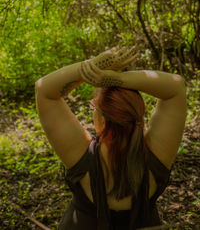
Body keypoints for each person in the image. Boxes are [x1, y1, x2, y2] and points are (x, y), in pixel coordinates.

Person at [35, 46, 187, 230]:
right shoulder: (157, 155)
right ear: (138, 115)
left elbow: (44, 90)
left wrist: (91, 66)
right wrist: (119, 79)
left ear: (100, 120)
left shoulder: (79, 156)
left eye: (93, 106)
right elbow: (176, 86)